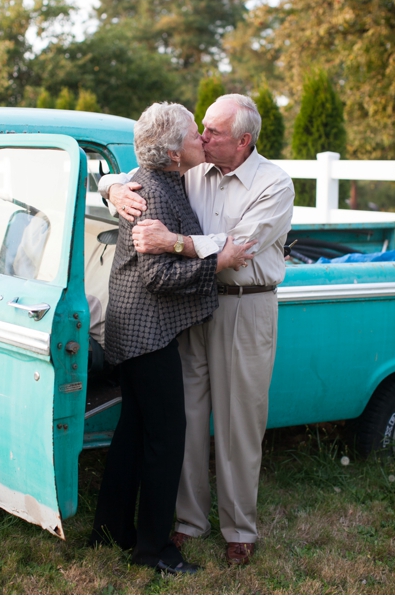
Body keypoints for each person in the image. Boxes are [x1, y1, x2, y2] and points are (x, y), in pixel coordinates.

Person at [102, 94, 294, 565]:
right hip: (189, 308)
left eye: (214, 132)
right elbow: (139, 171)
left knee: (239, 423)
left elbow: (237, 250)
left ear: (244, 141)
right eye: (201, 129)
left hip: (246, 307)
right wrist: (112, 189)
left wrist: (176, 243)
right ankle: (188, 521)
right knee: (185, 418)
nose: (203, 137)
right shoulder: (192, 169)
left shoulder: (274, 184)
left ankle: (239, 528)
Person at [88, 102, 250, 574]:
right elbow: (157, 275)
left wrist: (110, 184)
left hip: (137, 327)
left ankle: (111, 530)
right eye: (193, 135)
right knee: (166, 438)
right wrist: (217, 262)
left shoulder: (156, 179)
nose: (202, 138)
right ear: (174, 153)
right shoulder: (154, 192)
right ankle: (154, 550)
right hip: (147, 332)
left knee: (133, 432)